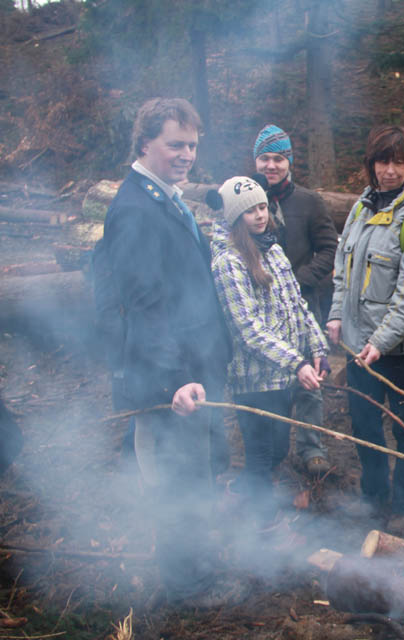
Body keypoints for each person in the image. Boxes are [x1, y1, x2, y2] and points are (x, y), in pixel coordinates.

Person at [98, 98, 242, 607]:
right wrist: (170, 382)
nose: (186, 154)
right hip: (170, 376)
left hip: (193, 365)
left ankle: (198, 565)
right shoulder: (136, 208)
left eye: (192, 145)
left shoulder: (166, 197)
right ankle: (188, 588)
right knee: (179, 481)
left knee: (197, 473)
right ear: (145, 143)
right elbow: (144, 305)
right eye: (175, 144)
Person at [326, 124, 404, 537]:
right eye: (383, 161)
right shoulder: (361, 208)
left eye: (398, 162)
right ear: (371, 164)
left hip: (402, 352)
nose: (390, 170)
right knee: (362, 424)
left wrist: (381, 342)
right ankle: (373, 496)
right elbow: (343, 270)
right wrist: (335, 316)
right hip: (358, 345)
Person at [209, 176, 329, 528]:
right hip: (255, 378)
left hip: (284, 374)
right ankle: (260, 533)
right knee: (262, 454)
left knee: (278, 449)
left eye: (262, 207)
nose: (260, 215)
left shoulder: (273, 250)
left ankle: (240, 493)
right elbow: (247, 329)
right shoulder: (228, 263)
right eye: (249, 211)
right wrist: (296, 362)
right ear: (234, 218)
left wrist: (316, 345)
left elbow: (298, 305)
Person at [253, 124, 339, 477]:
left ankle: (311, 447)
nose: (271, 166)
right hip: (258, 309)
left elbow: (330, 248)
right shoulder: (246, 199)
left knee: (309, 380)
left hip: (304, 305)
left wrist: (297, 281)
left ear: (289, 161)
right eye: (264, 158)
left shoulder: (308, 201)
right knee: (268, 376)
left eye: (278, 158)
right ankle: (270, 447)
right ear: (255, 161)